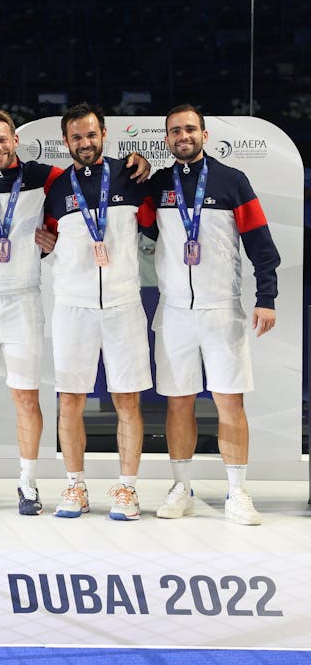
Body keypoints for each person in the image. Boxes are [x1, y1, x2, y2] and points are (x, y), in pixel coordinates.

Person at [0, 110, 149, 515]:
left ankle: (29, 485)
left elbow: (64, 228)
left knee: (29, 397)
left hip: (30, 298)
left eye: (3, 140)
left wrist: (146, 161)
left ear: (15, 140)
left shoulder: (48, 180)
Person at [145, 104, 279, 525]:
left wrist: (267, 297)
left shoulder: (232, 181)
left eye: (189, 129)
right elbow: (139, 225)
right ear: (166, 139)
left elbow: (261, 245)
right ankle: (181, 487)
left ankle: (237, 492)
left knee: (229, 402)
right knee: (178, 403)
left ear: (204, 134)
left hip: (222, 309)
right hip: (175, 313)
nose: (182, 136)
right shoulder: (158, 185)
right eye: (174, 131)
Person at [37, 103, 153, 521]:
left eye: (91, 135)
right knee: (70, 399)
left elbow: (156, 225)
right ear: (65, 142)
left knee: (127, 400)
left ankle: (128, 489)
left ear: (104, 134)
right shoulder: (54, 186)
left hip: (123, 303)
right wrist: (42, 243)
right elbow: (44, 235)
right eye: (76, 137)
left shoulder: (131, 176)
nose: (85, 143)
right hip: (72, 305)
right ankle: (75, 486)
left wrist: (146, 162)